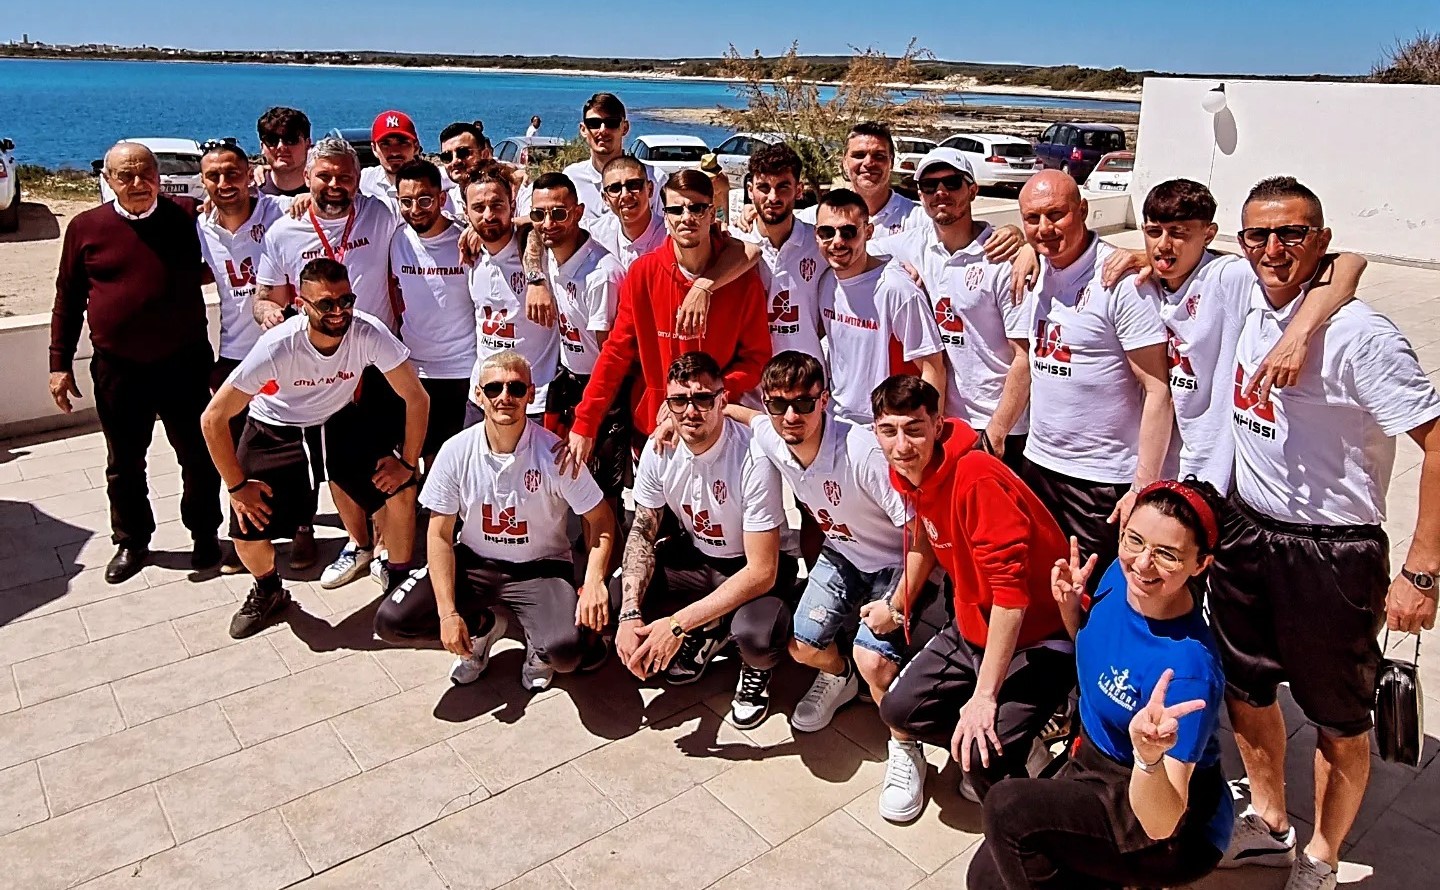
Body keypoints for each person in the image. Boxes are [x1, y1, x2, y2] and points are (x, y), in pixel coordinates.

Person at [1210, 177, 1440, 890]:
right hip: (1247, 529)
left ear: (1321, 240)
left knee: (1339, 718)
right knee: (1247, 688)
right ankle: (1270, 819)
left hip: (1331, 551)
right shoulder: (1248, 298)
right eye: (1258, 234)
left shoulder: (1360, 336)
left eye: (1293, 234)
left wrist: (1421, 569)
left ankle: (1323, 856)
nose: (1273, 249)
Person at [967, 479, 1232, 890]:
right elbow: (1100, 655)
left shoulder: (1187, 671)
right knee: (987, 876)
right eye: (1135, 540)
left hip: (1162, 819)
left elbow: (1162, 822)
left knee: (1008, 810)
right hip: (1091, 763)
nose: (1143, 563)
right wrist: (1071, 609)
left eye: (1167, 554)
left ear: (1200, 565)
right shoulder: (1118, 577)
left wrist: (1149, 757)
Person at [870, 375, 1074, 818]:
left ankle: (1026, 813)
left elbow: (1012, 599)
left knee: (984, 759)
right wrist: (896, 605)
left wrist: (984, 697)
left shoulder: (976, 478)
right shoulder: (911, 471)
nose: (901, 445)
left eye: (914, 429)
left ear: (938, 424)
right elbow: (927, 538)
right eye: (888, 431)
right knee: (899, 710)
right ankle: (1014, 740)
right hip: (973, 623)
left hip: (1039, 636)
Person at [200, 258, 428, 639]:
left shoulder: (367, 331)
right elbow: (212, 419)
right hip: (277, 425)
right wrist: (237, 486)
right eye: (326, 304)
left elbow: (417, 398)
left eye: (346, 300)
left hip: (338, 418)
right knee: (246, 529)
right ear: (302, 304)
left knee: (402, 488)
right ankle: (269, 589)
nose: (338, 311)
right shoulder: (278, 346)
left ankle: (400, 582)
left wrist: (406, 462)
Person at [374, 351, 617, 692]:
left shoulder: (554, 454)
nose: (505, 397)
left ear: (530, 394)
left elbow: (601, 519)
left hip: (540, 568)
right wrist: (448, 614)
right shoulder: (455, 451)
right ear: (478, 394)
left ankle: (539, 646)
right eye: (493, 388)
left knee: (566, 652)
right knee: (391, 621)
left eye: (516, 388)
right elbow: (440, 535)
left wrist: (593, 581)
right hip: (475, 563)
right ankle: (482, 627)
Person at [730, 352, 932, 740]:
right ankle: (841, 676)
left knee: (874, 663)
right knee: (802, 646)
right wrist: (683, 415)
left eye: (804, 403)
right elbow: (748, 417)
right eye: (778, 405)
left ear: (824, 400)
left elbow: (922, 532)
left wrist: (896, 606)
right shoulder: (773, 435)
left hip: (896, 559)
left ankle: (905, 745)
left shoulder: (861, 452)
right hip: (844, 552)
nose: (791, 416)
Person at [1119, 178, 1365, 491]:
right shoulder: (1148, 283)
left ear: (1209, 233)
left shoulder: (1224, 278)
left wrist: (1298, 335)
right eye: (1155, 232)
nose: (1164, 245)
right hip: (1167, 460)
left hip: (1214, 472)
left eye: (1179, 233)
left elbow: (1348, 263)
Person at [49, 141, 222, 582]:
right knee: (124, 464)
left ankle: (205, 534)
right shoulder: (85, 228)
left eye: (146, 173)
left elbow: (241, 221)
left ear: (159, 177)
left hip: (184, 364)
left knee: (198, 456)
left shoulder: (189, 217)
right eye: (126, 175)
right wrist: (59, 363)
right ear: (108, 180)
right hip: (118, 370)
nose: (138, 183)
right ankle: (131, 541)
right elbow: (68, 298)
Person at [614, 352, 800, 729]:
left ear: (722, 399)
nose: (690, 411)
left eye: (702, 399)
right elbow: (643, 531)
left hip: (754, 565)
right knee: (616, 600)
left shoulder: (752, 455)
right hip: (698, 558)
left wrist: (677, 624)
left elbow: (761, 572)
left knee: (759, 638)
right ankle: (710, 627)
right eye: (679, 400)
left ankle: (740, 658)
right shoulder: (659, 447)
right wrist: (630, 614)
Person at [254, 136, 405, 588]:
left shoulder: (380, 213)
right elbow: (267, 296)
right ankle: (358, 545)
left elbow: (436, 206)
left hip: (378, 363)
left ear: (359, 179)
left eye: (345, 176)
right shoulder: (284, 230)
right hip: (318, 367)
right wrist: (268, 312)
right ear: (306, 177)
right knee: (335, 464)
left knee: (383, 461)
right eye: (324, 176)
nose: (335, 184)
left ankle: (386, 549)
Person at [1018, 170, 1173, 594]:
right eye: (1032, 218)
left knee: (1089, 595)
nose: (1045, 228)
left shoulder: (1120, 281)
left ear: (1083, 210)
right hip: (1039, 464)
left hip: (1099, 481)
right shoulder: (1038, 270)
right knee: (1046, 588)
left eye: (1056, 214)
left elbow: (1158, 389)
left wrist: (1142, 487)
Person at [558, 169, 771, 474]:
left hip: (718, 427)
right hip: (655, 429)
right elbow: (616, 353)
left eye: (697, 208)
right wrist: (585, 422)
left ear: (712, 214)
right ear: (666, 217)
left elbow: (756, 359)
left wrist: (702, 397)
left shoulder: (742, 279)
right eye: (676, 210)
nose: (687, 217)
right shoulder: (643, 274)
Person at [195, 141, 318, 572]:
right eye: (214, 176)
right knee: (238, 451)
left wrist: (304, 196)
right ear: (203, 181)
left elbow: (317, 206)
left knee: (298, 449)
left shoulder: (280, 211)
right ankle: (250, 531)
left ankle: (303, 528)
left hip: (286, 350)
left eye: (233, 173)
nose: (224, 183)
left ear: (251, 173)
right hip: (234, 352)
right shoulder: (200, 227)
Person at [872, 148, 1032, 471]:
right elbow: (847, 251)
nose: (940, 192)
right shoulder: (913, 245)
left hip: (998, 427)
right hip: (943, 422)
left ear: (972, 190)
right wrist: (895, 266)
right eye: (930, 186)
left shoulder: (1001, 257)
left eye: (952, 182)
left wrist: (996, 433)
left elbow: (1024, 357)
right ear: (920, 195)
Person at [527, 173, 627, 502]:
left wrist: (591, 419)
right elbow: (528, 234)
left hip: (602, 391)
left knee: (600, 496)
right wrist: (536, 279)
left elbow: (612, 357)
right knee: (564, 485)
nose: (548, 223)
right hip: (566, 382)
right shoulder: (550, 252)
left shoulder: (600, 274)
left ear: (578, 212)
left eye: (559, 213)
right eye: (539, 214)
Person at [816, 188, 946, 424]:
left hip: (884, 426)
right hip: (835, 421)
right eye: (827, 232)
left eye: (848, 232)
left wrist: (927, 432)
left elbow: (933, 368)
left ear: (868, 232)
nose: (837, 241)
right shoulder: (826, 281)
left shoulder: (897, 288)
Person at [389, 159, 475, 466]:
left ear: (441, 198)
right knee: (409, 461)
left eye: (424, 200)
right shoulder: (397, 239)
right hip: (413, 370)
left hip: (462, 370)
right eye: (406, 201)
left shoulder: (466, 240)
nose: (415, 209)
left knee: (451, 463)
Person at [461, 164, 559, 428]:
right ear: (466, 212)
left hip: (533, 399)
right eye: (478, 208)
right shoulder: (471, 254)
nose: (488, 215)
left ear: (512, 206)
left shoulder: (542, 254)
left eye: (497, 205)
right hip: (482, 397)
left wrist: (536, 279)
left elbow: (541, 224)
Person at [733, 142, 826, 365]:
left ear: (799, 190)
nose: (773, 197)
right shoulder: (733, 243)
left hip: (806, 376)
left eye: (783, 187)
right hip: (751, 379)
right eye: (764, 187)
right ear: (750, 191)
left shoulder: (819, 243)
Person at [794, 122, 925, 233]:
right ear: (844, 162)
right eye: (859, 155)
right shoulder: (812, 221)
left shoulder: (919, 220)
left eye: (879, 156)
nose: (868, 163)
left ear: (891, 162)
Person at [563, 92, 664, 223]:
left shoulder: (655, 177)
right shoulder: (571, 178)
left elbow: (665, 228)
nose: (603, 130)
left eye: (611, 123)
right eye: (594, 123)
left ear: (625, 128)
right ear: (583, 129)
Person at [588, 155, 668, 270]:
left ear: (650, 189)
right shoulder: (595, 236)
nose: (625, 195)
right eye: (615, 188)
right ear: (605, 198)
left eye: (634, 185)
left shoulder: (671, 237)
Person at [359, 110, 422, 215]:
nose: (394, 152)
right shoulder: (364, 180)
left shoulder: (437, 182)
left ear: (416, 147)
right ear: (374, 149)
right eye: (385, 144)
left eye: (402, 142)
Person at [255, 107, 311, 197]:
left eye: (291, 139)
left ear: (307, 144)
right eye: (271, 140)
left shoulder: (326, 192)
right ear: (262, 147)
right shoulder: (251, 193)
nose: (281, 146)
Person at [437, 121, 489, 215]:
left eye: (463, 153)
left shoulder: (511, 193)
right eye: (447, 157)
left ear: (484, 155)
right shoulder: (445, 206)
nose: (455, 161)